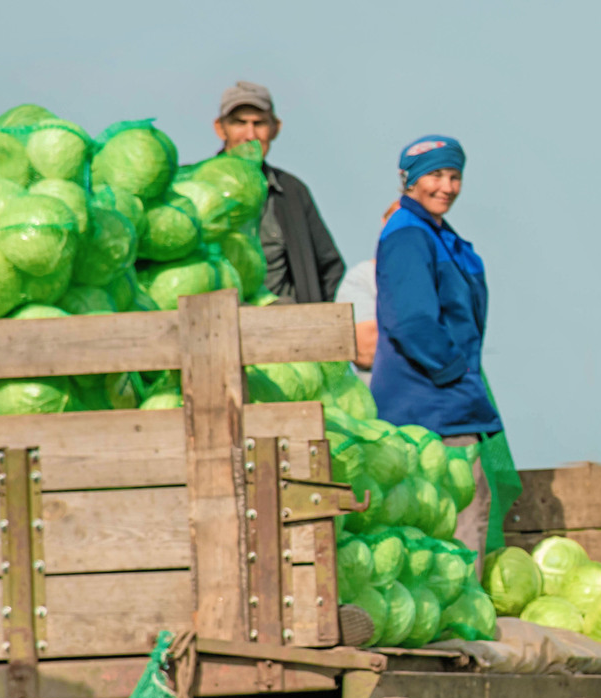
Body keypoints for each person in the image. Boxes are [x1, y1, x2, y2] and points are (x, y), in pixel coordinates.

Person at [373, 135, 496, 561]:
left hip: (443, 398)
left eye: (454, 176)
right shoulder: (409, 234)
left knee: (451, 512)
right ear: (408, 180)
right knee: (462, 510)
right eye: (435, 175)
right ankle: (463, 618)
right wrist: (453, 373)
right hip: (429, 403)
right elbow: (411, 320)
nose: (446, 186)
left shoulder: (436, 233)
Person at [213, 81, 345, 303]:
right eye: (240, 123)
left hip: (283, 327)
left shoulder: (291, 192)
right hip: (211, 326)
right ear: (220, 128)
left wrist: (313, 317)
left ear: (275, 128)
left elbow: (329, 266)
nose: (250, 134)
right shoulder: (198, 188)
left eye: (259, 123)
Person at [334, 201, 401, 385]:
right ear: (383, 222)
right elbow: (366, 349)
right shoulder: (361, 278)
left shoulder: (445, 274)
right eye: (398, 222)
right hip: (383, 396)